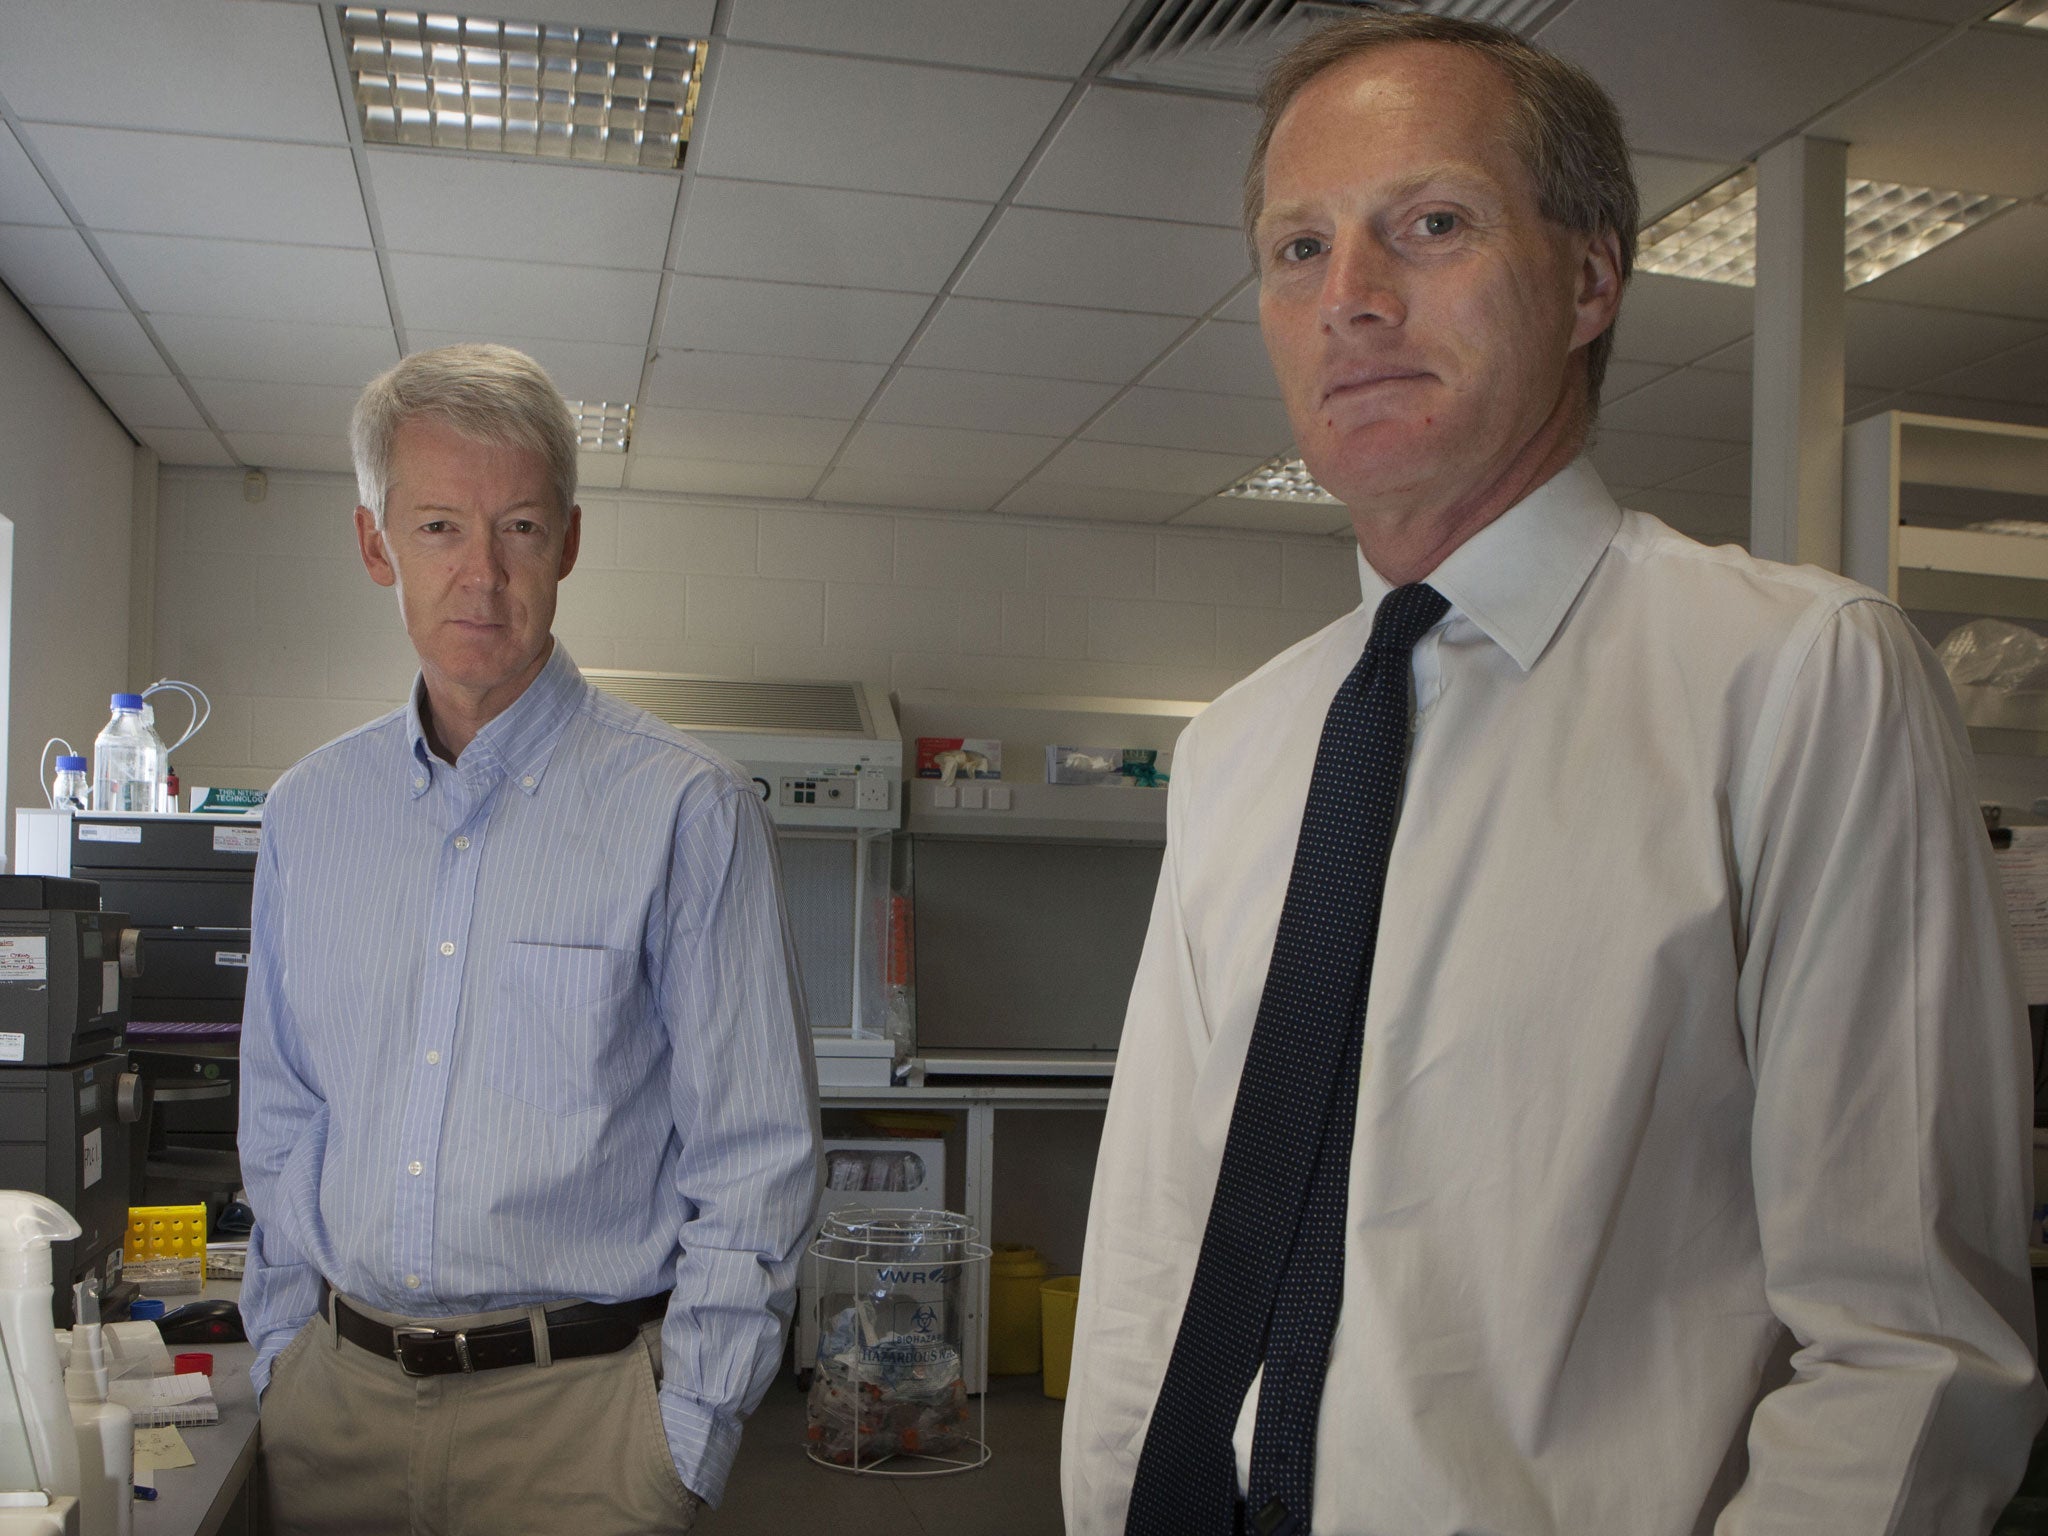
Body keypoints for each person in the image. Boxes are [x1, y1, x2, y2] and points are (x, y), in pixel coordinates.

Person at [1063, 14, 2044, 1535]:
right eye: (1299, 248)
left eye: (1431, 225)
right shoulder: (1241, 745)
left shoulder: (1796, 681)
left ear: (1590, 280)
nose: (1350, 298)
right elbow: (1155, 1247)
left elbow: (1907, 1350)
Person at [238, 343, 820, 1535]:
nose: (483, 575)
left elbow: (754, 1156)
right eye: (439, 527)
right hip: (334, 1417)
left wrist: (685, 1436)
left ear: (567, 543)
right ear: (375, 545)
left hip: (583, 1434)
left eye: (518, 528)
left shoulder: (686, 810)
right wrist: (281, 1359)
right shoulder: (307, 814)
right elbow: (283, 1115)